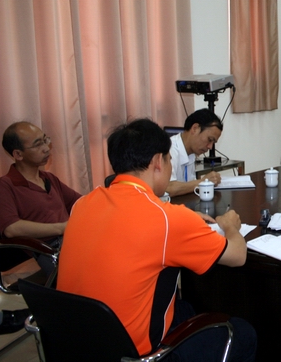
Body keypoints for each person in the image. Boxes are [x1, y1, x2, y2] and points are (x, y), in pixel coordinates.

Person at [57, 119, 256, 361]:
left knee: (185, 308)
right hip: (134, 354)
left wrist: (185, 220)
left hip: (74, 342)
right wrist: (230, 226)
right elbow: (238, 256)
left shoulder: (82, 204)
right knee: (243, 332)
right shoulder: (167, 219)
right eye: (169, 160)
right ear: (157, 162)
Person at [0, 122, 82, 274]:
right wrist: (62, 227)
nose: (46, 148)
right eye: (38, 144)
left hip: (71, 239)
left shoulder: (48, 178)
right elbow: (11, 228)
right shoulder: (3, 186)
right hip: (48, 249)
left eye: (45, 140)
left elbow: (80, 202)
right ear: (18, 154)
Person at [166, 109, 224, 197]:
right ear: (195, 129)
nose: (210, 147)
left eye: (213, 143)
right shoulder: (169, 149)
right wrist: (203, 182)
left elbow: (189, 186)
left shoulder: (191, 153)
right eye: (210, 140)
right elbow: (168, 188)